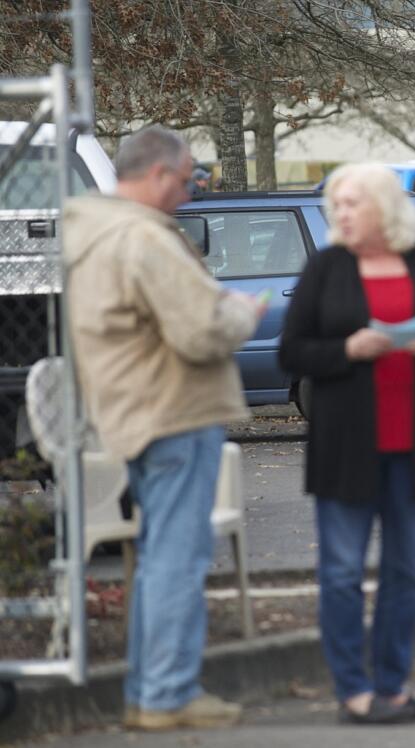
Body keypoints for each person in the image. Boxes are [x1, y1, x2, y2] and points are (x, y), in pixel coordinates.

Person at [63, 126, 264, 731]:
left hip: (133, 410)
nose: (189, 191)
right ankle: (168, 694)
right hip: (174, 409)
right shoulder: (144, 239)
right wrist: (239, 313)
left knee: (157, 559)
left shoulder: (92, 232)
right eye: (185, 179)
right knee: (177, 558)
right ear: (156, 174)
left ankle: (149, 691)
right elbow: (200, 330)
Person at [279, 163, 415, 725]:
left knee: (406, 572)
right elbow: (292, 353)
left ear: (384, 209)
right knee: (342, 573)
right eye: (336, 205)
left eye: (352, 204)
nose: (340, 214)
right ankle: (353, 691)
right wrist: (348, 349)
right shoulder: (326, 270)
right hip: (347, 447)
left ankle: (392, 688)